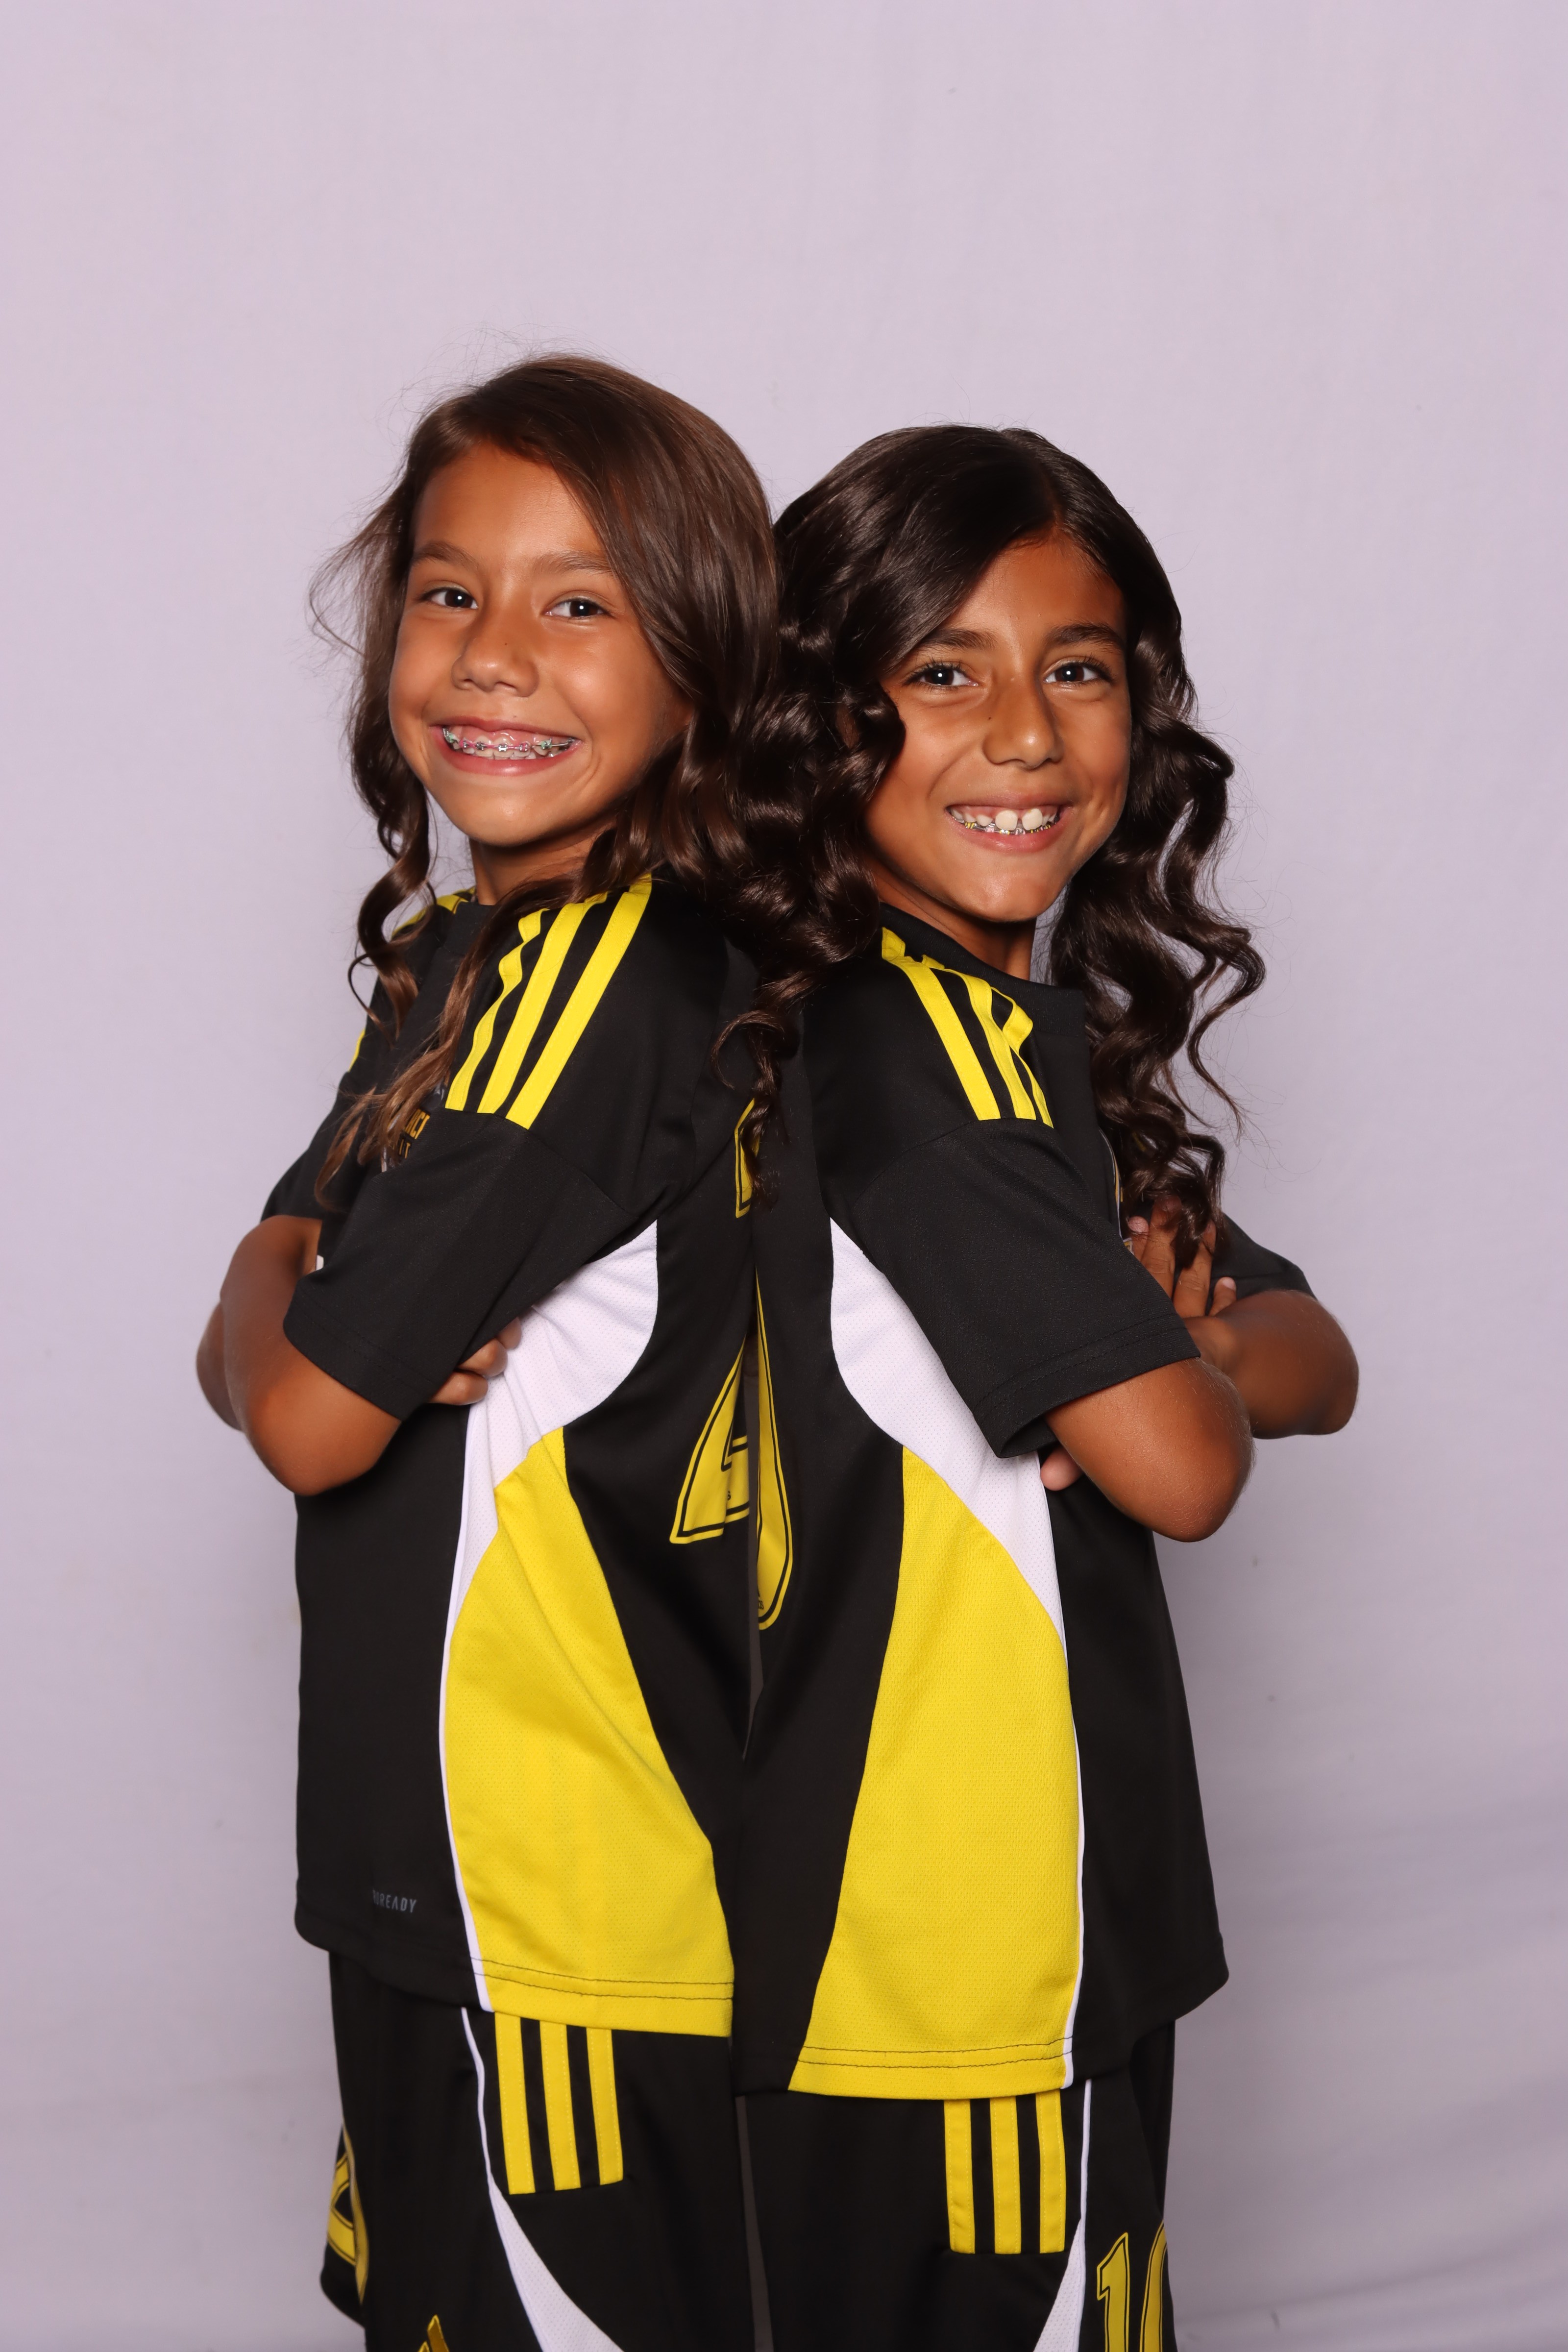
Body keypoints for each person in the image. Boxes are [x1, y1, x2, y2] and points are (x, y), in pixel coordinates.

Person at [727, 425, 1358, 2352]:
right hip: (948, 1936)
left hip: (992, 1916)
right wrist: (1180, 1373)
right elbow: (1184, 1470)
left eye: (1074, 669)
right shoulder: (905, 1057)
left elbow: (1309, 1356)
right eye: (943, 671)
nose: (1021, 732)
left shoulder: (1013, 1042)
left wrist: (1198, 1347)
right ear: (820, 713)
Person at [196, 356, 777, 2352]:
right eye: (449, 592)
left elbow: (297, 1412)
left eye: (580, 602)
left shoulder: (594, 994)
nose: (495, 654)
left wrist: (282, 1291)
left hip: (553, 1881)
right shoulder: (464, 965)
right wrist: (278, 1274)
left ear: (701, 664)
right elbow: (266, 1309)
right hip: (447, 1857)